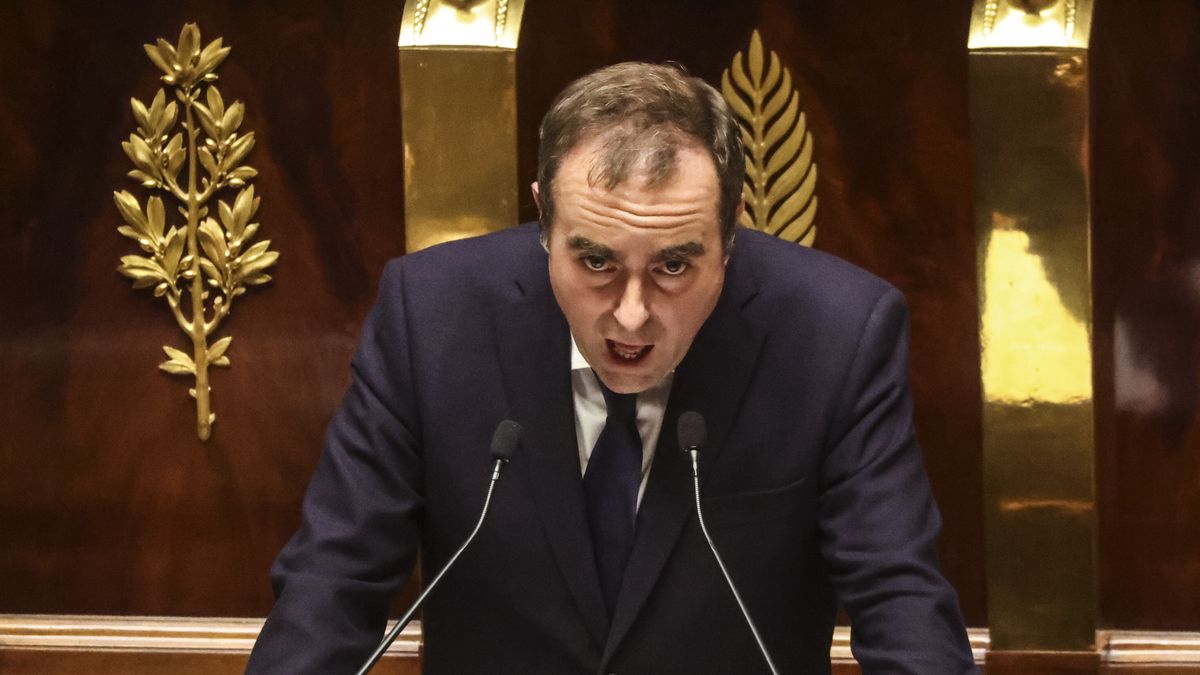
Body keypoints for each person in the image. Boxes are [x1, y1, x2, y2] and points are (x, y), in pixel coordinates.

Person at [246, 62, 976, 674]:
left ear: (731, 232)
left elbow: (900, 598)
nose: (631, 314)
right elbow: (331, 585)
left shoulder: (837, 334)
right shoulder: (431, 317)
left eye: (674, 264)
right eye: (595, 260)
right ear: (544, 220)